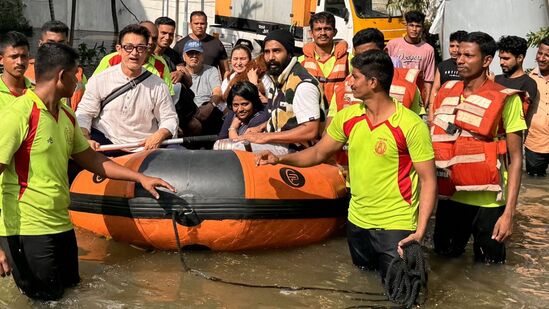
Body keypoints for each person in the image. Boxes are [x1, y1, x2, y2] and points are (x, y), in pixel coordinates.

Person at [0, 42, 175, 301]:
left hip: (60, 222)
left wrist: (140, 178)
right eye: (75, 74)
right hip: (25, 227)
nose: (79, 82)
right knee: (45, 300)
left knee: (72, 293)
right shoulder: (18, 114)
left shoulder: (67, 114)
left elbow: (93, 159)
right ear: (62, 76)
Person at [256, 50, 436, 282]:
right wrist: (279, 159)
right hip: (357, 221)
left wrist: (419, 232)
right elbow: (319, 152)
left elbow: (428, 180)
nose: (349, 82)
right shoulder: (349, 117)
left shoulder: (410, 125)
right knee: (363, 282)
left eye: (355, 77)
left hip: (396, 225)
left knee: (401, 293)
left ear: (373, 82)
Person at [431, 32, 526, 263]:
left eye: (468, 55)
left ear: (486, 61)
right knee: (442, 262)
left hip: (489, 203)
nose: (460, 60)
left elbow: (515, 159)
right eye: (459, 54)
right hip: (450, 199)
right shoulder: (446, 91)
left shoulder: (507, 99)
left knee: (490, 269)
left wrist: (508, 214)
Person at [76, 24, 178, 153]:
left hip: (144, 148)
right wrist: (85, 138)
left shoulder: (158, 85)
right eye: (128, 47)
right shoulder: (100, 79)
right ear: (119, 49)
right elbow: (84, 113)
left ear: (147, 49)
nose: (134, 53)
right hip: (106, 144)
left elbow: (169, 118)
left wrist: (160, 135)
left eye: (140, 48)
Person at [236, 29, 325, 153]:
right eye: (267, 52)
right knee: (223, 144)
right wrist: (260, 128)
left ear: (289, 53)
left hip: (299, 151)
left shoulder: (303, 84)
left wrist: (264, 137)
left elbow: (310, 130)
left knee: (233, 150)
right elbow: (285, 118)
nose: (271, 57)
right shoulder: (279, 78)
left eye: (277, 51)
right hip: (280, 143)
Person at [93, 21, 174, 95]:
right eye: (146, 37)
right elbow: (93, 89)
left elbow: (167, 97)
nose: (150, 42)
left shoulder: (160, 64)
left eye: (154, 39)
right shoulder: (111, 60)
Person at [24, 20, 87, 110]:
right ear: (40, 44)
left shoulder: (78, 76)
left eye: (61, 43)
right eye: (50, 43)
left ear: (68, 45)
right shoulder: (24, 72)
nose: (56, 48)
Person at [299, 11, 349, 110]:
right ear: (311, 33)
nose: (323, 33)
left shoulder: (349, 59)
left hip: (339, 115)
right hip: (312, 115)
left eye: (327, 29)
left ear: (335, 32)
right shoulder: (301, 61)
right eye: (318, 29)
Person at [386, 10, 435, 104]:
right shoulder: (392, 45)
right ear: (406, 26)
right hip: (394, 93)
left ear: (422, 28)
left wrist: (427, 100)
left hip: (416, 96)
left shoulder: (428, 50)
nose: (414, 29)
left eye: (418, 26)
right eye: (411, 25)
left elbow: (428, 79)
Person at [181, 40, 224, 136]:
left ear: (203, 56)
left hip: (207, 113)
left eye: (197, 53)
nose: (194, 56)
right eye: (190, 53)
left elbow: (217, 92)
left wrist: (210, 105)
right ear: (184, 57)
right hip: (188, 115)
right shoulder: (179, 72)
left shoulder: (211, 70)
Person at [173, 11, 229, 78]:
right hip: (188, 86)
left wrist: (225, 87)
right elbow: (174, 69)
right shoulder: (180, 45)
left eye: (202, 23)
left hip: (211, 86)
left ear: (206, 24)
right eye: (196, 23)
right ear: (190, 25)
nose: (199, 26)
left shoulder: (216, 43)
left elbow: (225, 71)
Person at [428, 30, 468, 121]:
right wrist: (431, 111)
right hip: (442, 111)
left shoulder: (469, 66)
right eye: (451, 46)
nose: (454, 49)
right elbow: (435, 89)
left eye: (457, 46)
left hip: (462, 111)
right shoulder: (442, 66)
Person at [524, 37, 549, 177]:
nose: (541, 58)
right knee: (535, 184)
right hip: (535, 143)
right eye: (539, 53)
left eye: (547, 55)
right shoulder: (529, 80)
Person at [494, 35, 538, 108]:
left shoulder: (528, 84)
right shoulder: (495, 79)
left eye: (506, 58)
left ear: (520, 58)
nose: (501, 62)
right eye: (500, 58)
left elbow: (520, 112)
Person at [154, 16, 191, 87]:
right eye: (163, 33)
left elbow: (189, 81)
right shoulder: (146, 53)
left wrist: (180, 73)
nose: (167, 37)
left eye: (171, 34)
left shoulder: (174, 55)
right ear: (155, 32)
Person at [0, 31, 32, 109]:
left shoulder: (36, 91)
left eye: (24, 56)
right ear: (1, 59)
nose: (20, 62)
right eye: (14, 57)